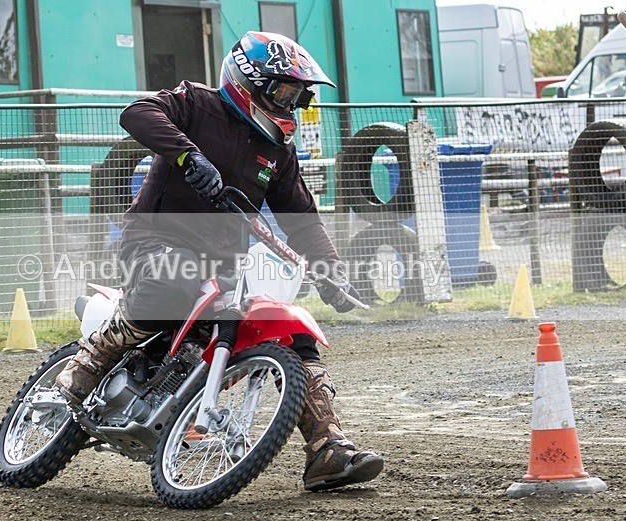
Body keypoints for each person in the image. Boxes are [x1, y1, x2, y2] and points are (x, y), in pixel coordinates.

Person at [56, 31, 383, 491]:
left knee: (292, 335)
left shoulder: (278, 151)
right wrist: (189, 158)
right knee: (172, 281)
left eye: (299, 96)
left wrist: (330, 271)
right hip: (154, 239)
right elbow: (137, 113)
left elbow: (303, 220)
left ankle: (326, 449)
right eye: (285, 92)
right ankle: (90, 361)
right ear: (250, 82)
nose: (291, 104)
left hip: (223, 266)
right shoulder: (196, 103)